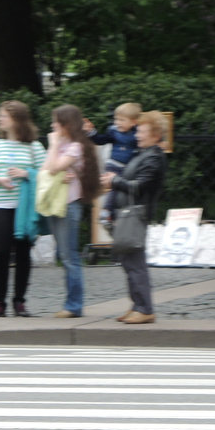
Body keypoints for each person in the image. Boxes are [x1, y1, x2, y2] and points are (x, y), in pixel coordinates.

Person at [0, 101, 46, 317]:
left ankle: (19, 301)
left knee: (24, 253)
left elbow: (46, 175)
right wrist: (0, 180)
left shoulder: (34, 146)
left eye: (3, 115)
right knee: (0, 252)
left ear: (17, 119)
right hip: (1, 204)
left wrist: (26, 174)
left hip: (25, 207)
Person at [101, 111, 167, 324]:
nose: (137, 134)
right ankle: (137, 304)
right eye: (138, 130)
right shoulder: (143, 154)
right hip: (129, 213)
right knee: (128, 261)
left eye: (142, 131)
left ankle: (145, 308)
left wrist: (115, 181)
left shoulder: (154, 157)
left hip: (137, 214)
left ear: (155, 135)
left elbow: (139, 186)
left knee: (135, 263)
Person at [43, 104, 100, 318]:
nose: (52, 125)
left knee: (69, 257)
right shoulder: (64, 144)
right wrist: (55, 147)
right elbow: (46, 169)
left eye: (56, 122)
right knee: (64, 255)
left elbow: (53, 168)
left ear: (66, 124)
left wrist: (54, 144)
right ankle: (71, 303)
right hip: (57, 203)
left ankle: (74, 305)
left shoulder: (75, 146)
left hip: (69, 204)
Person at [87, 102, 139, 225]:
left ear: (133, 122)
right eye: (116, 119)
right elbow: (101, 140)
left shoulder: (137, 134)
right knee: (113, 188)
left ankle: (117, 215)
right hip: (114, 164)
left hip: (128, 168)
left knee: (124, 190)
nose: (118, 123)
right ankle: (106, 211)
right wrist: (92, 133)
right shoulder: (114, 131)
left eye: (122, 120)